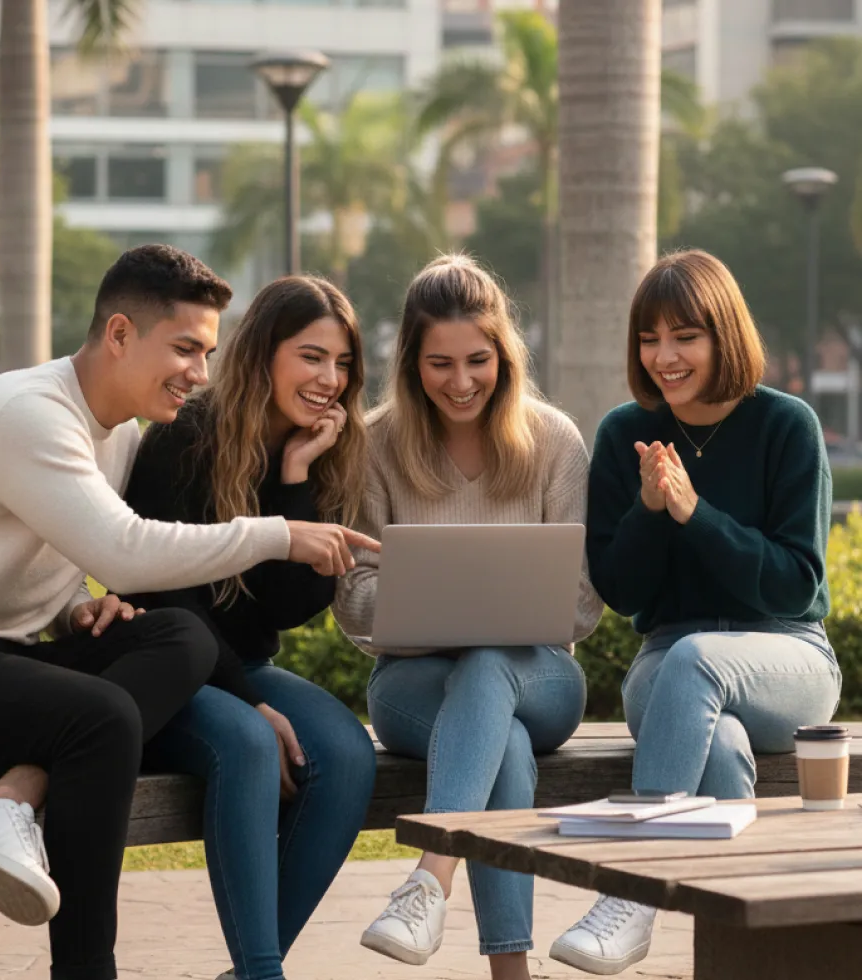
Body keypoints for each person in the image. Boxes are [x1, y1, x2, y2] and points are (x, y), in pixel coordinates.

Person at [0, 245, 378, 980]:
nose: (199, 373)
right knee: (104, 721)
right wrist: (281, 533)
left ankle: (13, 794)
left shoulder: (115, 432)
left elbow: (44, 561)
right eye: (183, 348)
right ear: (119, 334)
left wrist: (73, 614)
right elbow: (125, 551)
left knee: (175, 636)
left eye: (207, 352)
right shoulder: (31, 412)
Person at [549, 249, 842, 976]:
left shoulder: (787, 427)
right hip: (667, 660)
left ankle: (632, 893)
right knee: (717, 743)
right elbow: (623, 592)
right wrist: (650, 511)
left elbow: (795, 585)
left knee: (697, 663)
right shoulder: (625, 433)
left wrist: (694, 513)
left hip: (788, 658)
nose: (664, 357)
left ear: (724, 335)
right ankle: (756, 956)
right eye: (649, 339)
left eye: (685, 336)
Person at [333, 254, 603, 980]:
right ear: (412, 363)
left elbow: (581, 604)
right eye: (439, 363)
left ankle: (430, 877)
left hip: (541, 681)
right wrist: (432, 614)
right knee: (502, 747)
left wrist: (468, 619)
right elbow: (352, 607)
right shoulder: (376, 444)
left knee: (490, 665)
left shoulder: (555, 442)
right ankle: (510, 972)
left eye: (477, 360)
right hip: (411, 688)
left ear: (504, 354)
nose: (460, 382)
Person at [122, 275, 378, 980]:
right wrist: (249, 701)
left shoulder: (317, 451)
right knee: (249, 746)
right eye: (311, 356)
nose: (330, 379)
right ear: (265, 352)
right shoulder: (188, 438)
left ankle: (250, 972)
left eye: (343, 362)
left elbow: (287, 609)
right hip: (165, 673)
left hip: (242, 672)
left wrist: (297, 477)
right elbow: (163, 592)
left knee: (348, 756)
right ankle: (263, 973)